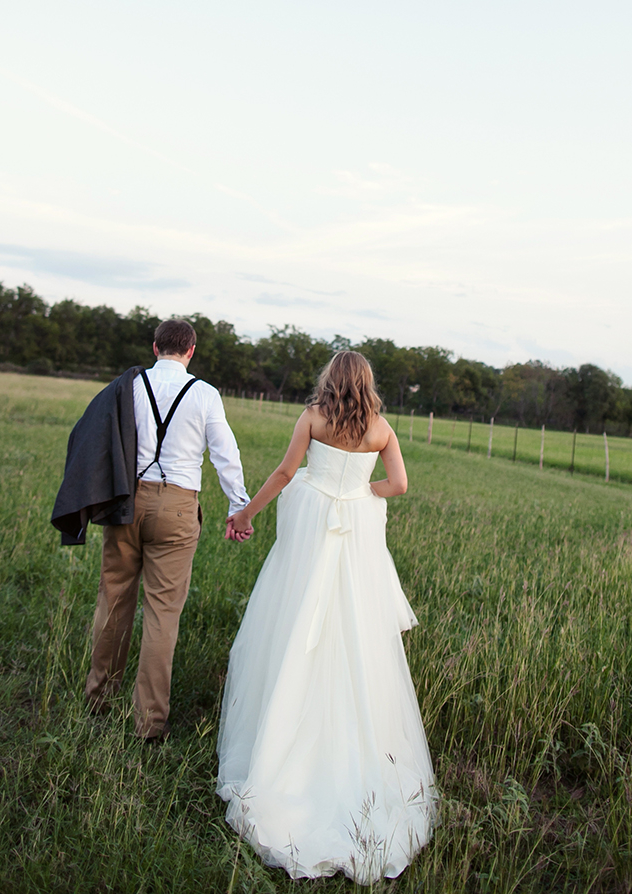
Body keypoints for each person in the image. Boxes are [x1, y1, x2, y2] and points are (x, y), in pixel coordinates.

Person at [216, 351, 436, 882]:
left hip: (313, 524)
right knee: (352, 625)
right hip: (354, 531)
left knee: (293, 617)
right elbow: (400, 486)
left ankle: (282, 736)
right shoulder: (382, 430)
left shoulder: (313, 417)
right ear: (368, 384)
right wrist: (362, 492)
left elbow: (288, 471)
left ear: (330, 380)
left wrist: (245, 514)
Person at [83, 318, 252, 741]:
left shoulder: (131, 385)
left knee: (114, 597)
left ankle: (99, 699)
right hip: (178, 507)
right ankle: (150, 723)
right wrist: (238, 506)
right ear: (191, 350)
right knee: (162, 614)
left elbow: (100, 439)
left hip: (127, 499)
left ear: (154, 347)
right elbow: (225, 454)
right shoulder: (206, 394)